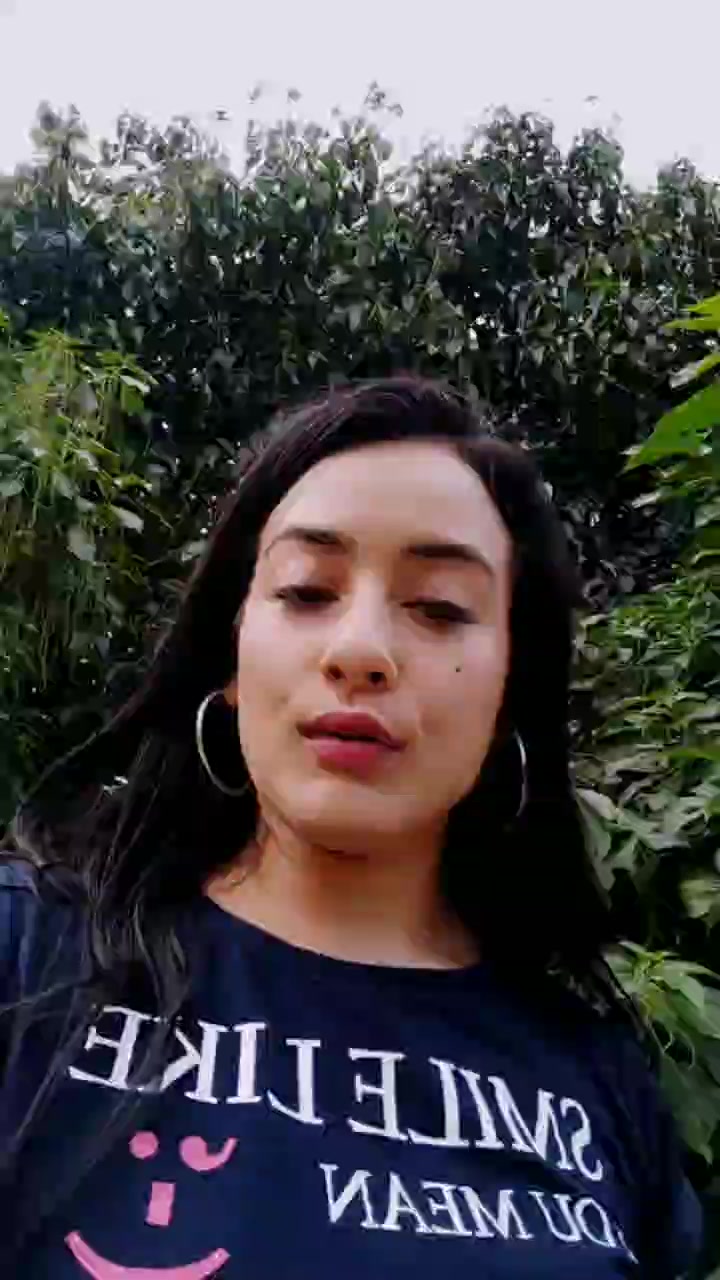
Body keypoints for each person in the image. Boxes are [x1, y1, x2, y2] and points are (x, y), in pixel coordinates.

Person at [0, 376, 702, 1277]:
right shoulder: (30, 960)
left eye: (440, 608)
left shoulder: (597, 1077)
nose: (361, 650)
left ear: (507, 692)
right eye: (306, 590)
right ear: (231, 660)